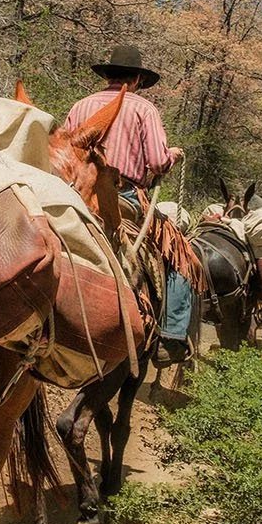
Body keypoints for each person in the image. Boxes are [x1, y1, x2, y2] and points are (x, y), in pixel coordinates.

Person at [61, 44, 194, 364]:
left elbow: (64, 153)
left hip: (75, 195)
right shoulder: (144, 109)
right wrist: (173, 156)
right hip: (125, 198)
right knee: (181, 255)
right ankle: (173, 335)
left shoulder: (81, 106)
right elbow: (158, 162)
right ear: (137, 79)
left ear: (107, 75)